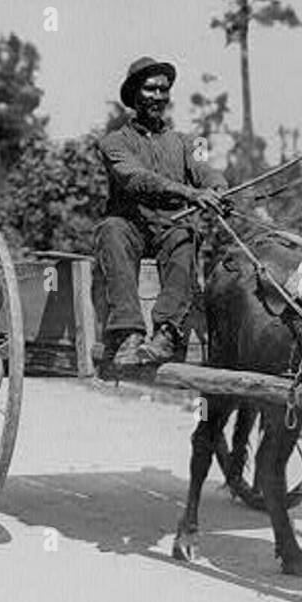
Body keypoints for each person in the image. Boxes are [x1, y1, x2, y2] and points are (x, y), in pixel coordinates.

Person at [95, 56, 228, 370]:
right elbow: (136, 178)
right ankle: (128, 333)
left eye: (163, 90)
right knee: (111, 230)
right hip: (131, 226)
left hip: (171, 226)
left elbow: (206, 171)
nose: (158, 96)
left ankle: (167, 331)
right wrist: (189, 193)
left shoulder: (186, 142)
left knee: (187, 234)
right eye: (150, 89)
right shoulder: (113, 142)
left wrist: (218, 189)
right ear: (134, 95)